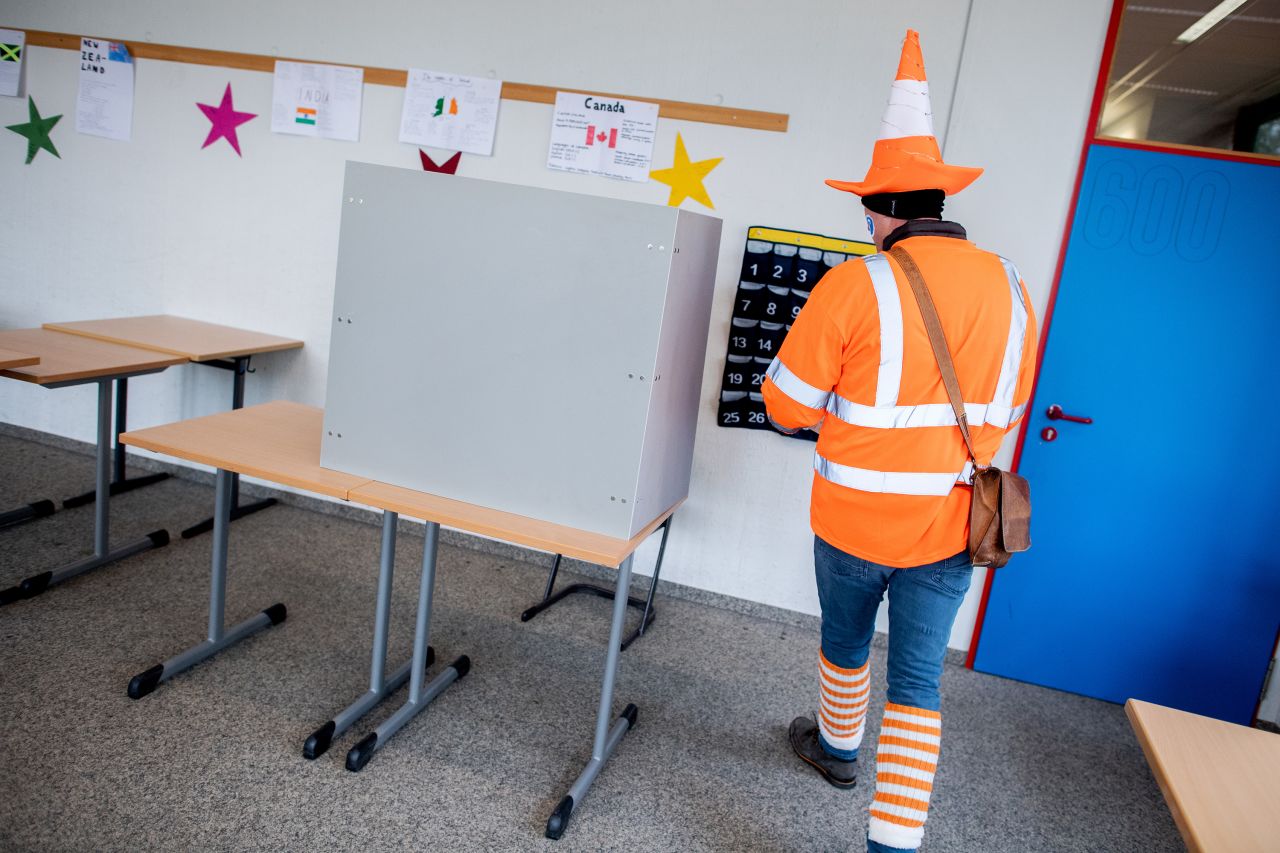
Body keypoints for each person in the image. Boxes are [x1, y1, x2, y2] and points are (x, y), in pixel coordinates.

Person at [761, 28, 1038, 853]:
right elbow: (1009, 410)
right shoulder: (1011, 286)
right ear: (940, 205)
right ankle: (891, 845)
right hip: (951, 528)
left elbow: (782, 406)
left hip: (852, 520)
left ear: (880, 210)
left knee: (844, 644)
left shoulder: (854, 285)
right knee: (919, 684)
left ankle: (837, 749)